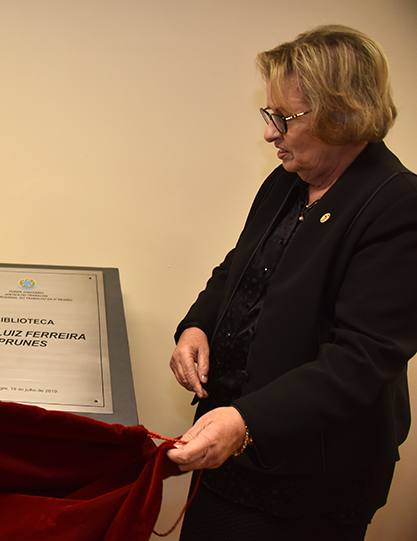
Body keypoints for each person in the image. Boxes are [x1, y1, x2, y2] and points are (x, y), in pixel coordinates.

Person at [166, 25, 416, 540]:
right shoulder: (287, 181)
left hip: (311, 477)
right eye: (269, 114)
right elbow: (238, 267)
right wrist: (195, 327)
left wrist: (246, 421)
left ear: (341, 112)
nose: (269, 132)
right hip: (234, 444)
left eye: (284, 117)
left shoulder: (399, 206)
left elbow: (361, 360)